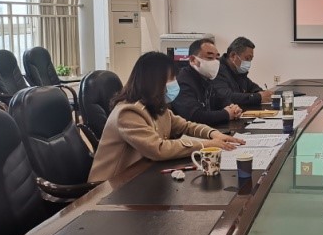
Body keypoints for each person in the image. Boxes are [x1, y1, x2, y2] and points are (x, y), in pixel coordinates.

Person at [89, 52, 244, 183]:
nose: (175, 83)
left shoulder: (155, 105)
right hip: (111, 185)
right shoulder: (129, 112)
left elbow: (185, 125)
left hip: (141, 175)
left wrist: (214, 134)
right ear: (154, 81)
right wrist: (206, 145)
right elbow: (158, 149)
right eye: (171, 79)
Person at [172, 38, 242, 126]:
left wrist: (233, 108)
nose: (215, 62)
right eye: (209, 57)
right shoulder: (182, 81)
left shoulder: (206, 77)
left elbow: (220, 100)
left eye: (217, 58)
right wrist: (226, 114)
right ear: (193, 60)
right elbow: (194, 116)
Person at [213, 36, 273, 109]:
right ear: (233, 56)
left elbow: (254, 88)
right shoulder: (217, 70)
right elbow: (227, 97)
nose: (249, 63)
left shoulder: (239, 72)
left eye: (250, 60)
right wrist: (258, 97)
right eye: (247, 58)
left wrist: (262, 94)